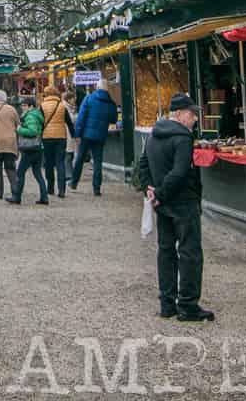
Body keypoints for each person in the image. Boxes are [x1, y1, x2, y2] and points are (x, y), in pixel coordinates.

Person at [137, 93, 214, 322]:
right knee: (190, 252)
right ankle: (188, 305)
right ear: (179, 114)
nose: (195, 119)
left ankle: (167, 303)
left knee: (166, 251)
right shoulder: (182, 138)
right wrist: (158, 192)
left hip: (163, 204)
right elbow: (180, 172)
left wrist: (150, 189)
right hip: (183, 201)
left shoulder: (153, 134)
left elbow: (142, 164)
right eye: (192, 114)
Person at [72, 79, 118, 196]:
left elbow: (81, 117)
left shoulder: (89, 98)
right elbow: (114, 119)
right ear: (107, 89)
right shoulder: (111, 103)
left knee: (80, 158)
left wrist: (77, 133)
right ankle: (96, 188)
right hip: (100, 135)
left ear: (97, 88)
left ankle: (73, 183)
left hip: (86, 134)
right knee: (98, 162)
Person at [8, 94, 50, 204]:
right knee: (38, 174)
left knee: (20, 173)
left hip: (29, 149)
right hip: (37, 148)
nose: (23, 107)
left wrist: (19, 129)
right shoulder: (36, 115)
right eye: (22, 105)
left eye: (25, 105)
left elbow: (33, 131)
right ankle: (44, 197)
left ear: (31, 106)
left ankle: (17, 197)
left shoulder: (30, 116)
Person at [39, 83, 72, 198]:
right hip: (61, 137)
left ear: (46, 94)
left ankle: (50, 188)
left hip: (47, 137)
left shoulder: (42, 106)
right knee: (60, 162)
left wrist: (39, 134)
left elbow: (40, 122)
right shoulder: (62, 105)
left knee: (49, 162)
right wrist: (74, 135)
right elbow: (69, 122)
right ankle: (62, 190)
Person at [0, 90, 20, 201]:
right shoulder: (11, 109)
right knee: (11, 168)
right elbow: (18, 125)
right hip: (10, 142)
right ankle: (16, 193)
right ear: (5, 98)